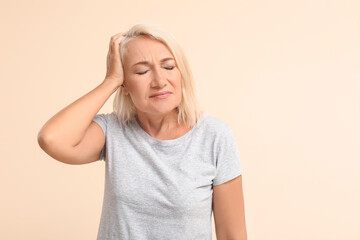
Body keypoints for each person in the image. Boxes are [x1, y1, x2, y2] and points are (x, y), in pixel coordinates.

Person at [37, 23, 247, 240]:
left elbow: (233, 234)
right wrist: (110, 81)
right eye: (142, 71)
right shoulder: (112, 131)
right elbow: (51, 139)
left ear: (181, 73)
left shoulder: (215, 137)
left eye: (168, 67)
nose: (159, 81)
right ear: (125, 84)